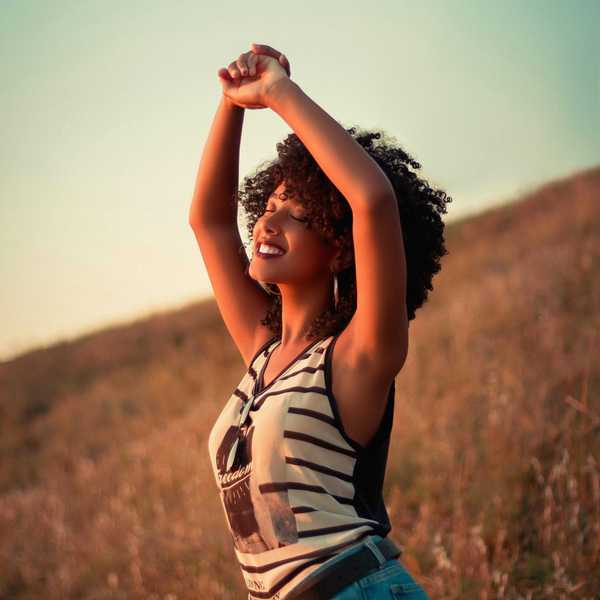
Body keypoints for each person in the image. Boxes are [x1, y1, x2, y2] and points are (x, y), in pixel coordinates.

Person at [189, 42, 450, 600]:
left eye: (298, 214)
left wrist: (279, 92)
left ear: (340, 250)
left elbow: (372, 199)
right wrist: (232, 102)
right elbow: (210, 223)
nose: (268, 223)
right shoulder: (264, 352)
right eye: (269, 206)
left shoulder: (357, 356)